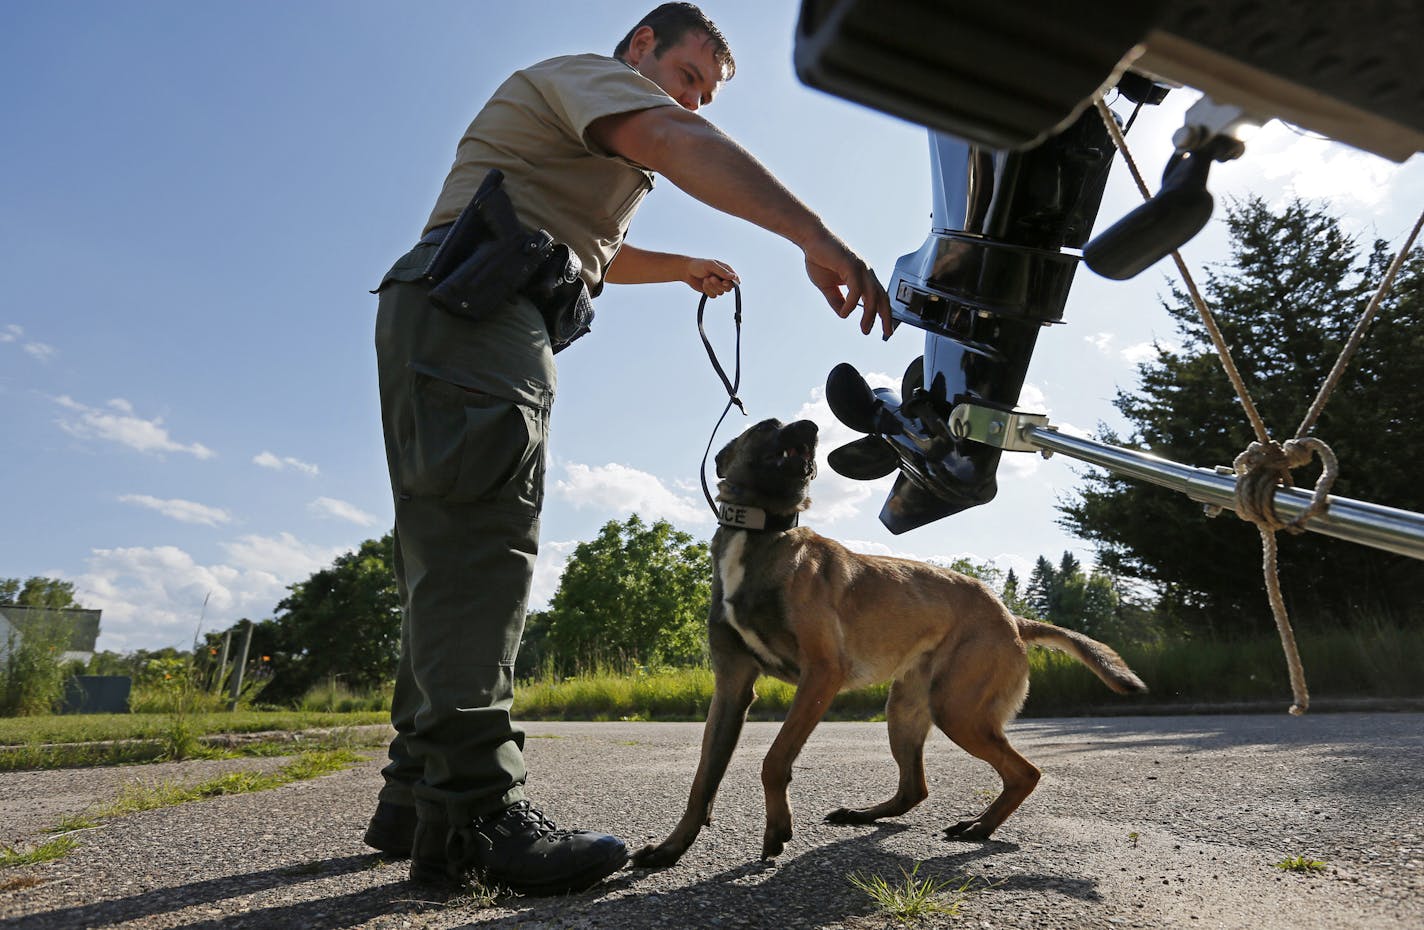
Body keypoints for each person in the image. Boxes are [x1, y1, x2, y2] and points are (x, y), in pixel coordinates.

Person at [365, 2, 892, 896]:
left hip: (463, 310)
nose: (696, 106)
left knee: (447, 556)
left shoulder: (588, 147)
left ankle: (418, 800)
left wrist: (682, 266)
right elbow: (681, 147)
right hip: (476, 312)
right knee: (483, 553)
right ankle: (480, 812)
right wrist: (816, 237)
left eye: (708, 95)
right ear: (642, 45)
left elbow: (590, 250)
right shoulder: (587, 78)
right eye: (690, 80)